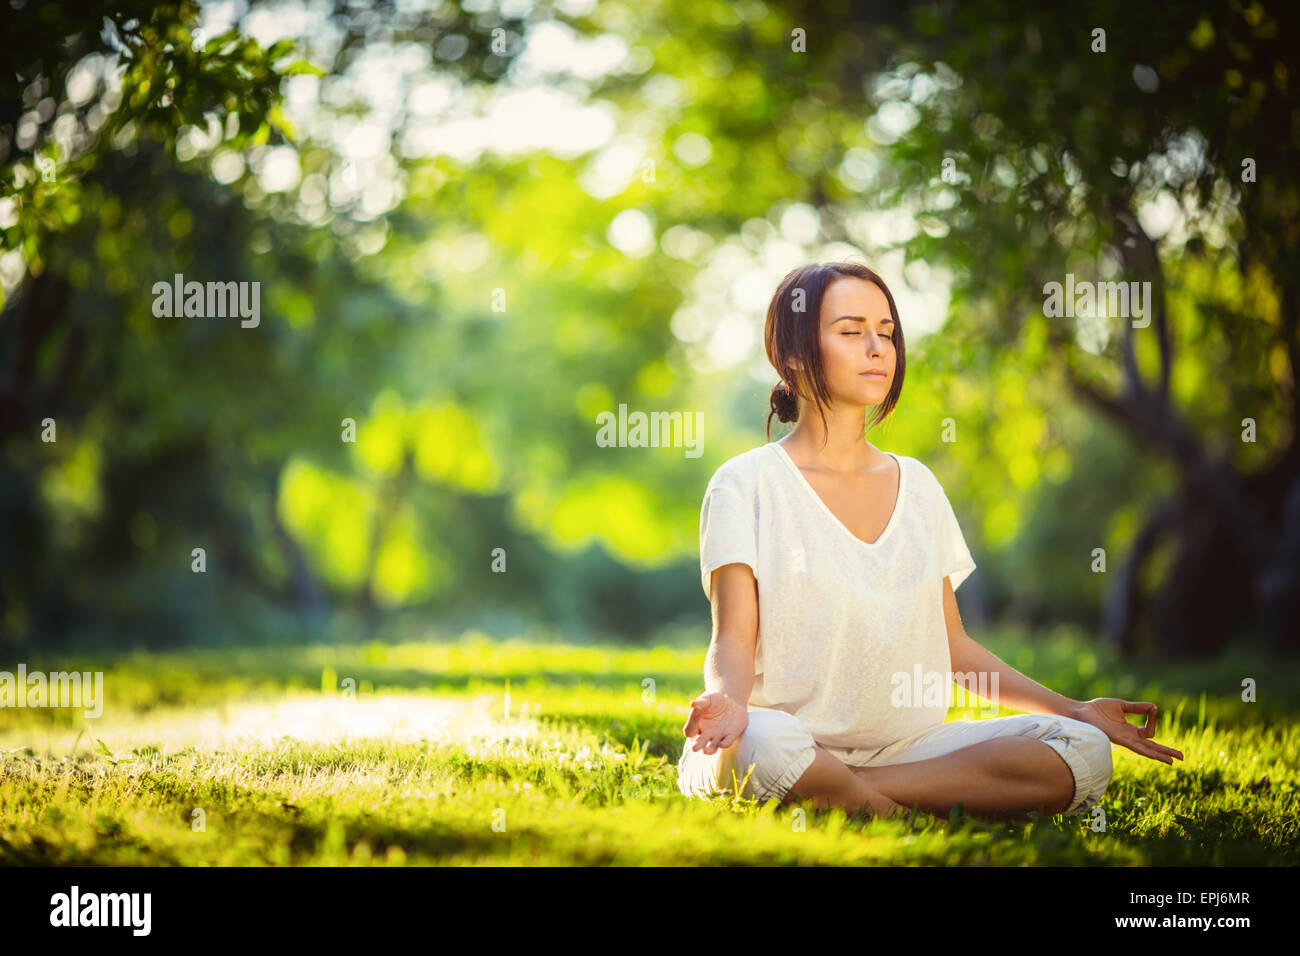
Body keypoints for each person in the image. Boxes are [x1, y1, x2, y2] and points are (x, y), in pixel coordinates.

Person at [677, 261, 1184, 820]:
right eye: (851, 331)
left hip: (907, 749)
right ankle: (899, 804)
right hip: (779, 736)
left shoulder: (917, 485)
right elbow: (733, 639)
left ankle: (848, 790)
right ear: (793, 357)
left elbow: (954, 648)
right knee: (767, 749)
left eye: (887, 332)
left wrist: (1077, 709)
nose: (877, 348)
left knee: (1081, 750)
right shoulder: (744, 483)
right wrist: (728, 700)